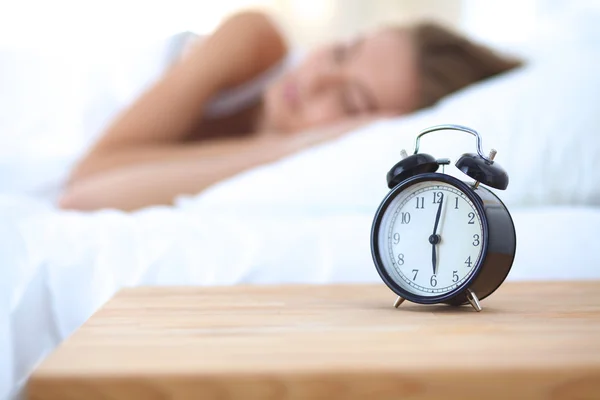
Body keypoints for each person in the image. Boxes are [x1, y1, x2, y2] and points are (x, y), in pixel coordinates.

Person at [59, 11, 521, 212]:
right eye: (341, 52)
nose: (317, 77)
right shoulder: (254, 40)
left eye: (350, 102)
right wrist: (289, 143)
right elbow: (86, 180)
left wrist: (296, 147)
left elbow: (90, 196)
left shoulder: (297, 169)